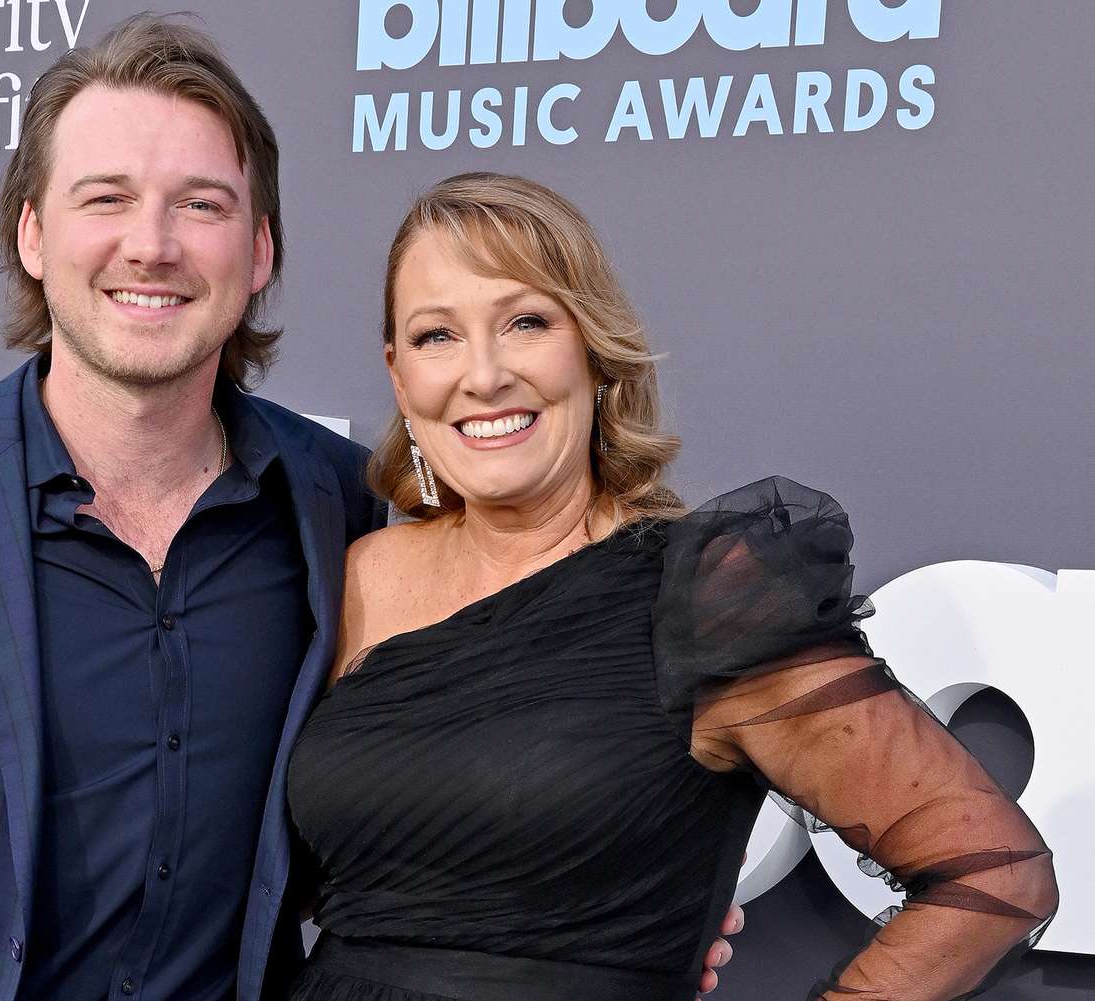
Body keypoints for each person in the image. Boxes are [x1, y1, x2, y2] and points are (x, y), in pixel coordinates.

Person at [0, 15, 743, 1001]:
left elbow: (432, 791)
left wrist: (620, 900)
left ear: (260, 252)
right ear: (35, 237)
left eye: (202, 203)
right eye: (104, 198)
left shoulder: (344, 508)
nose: (153, 244)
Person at [283, 172, 1059, 1001]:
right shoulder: (357, 571)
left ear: (592, 348)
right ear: (399, 377)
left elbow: (996, 875)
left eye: (525, 322)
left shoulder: (707, 596)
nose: (483, 375)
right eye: (437, 336)